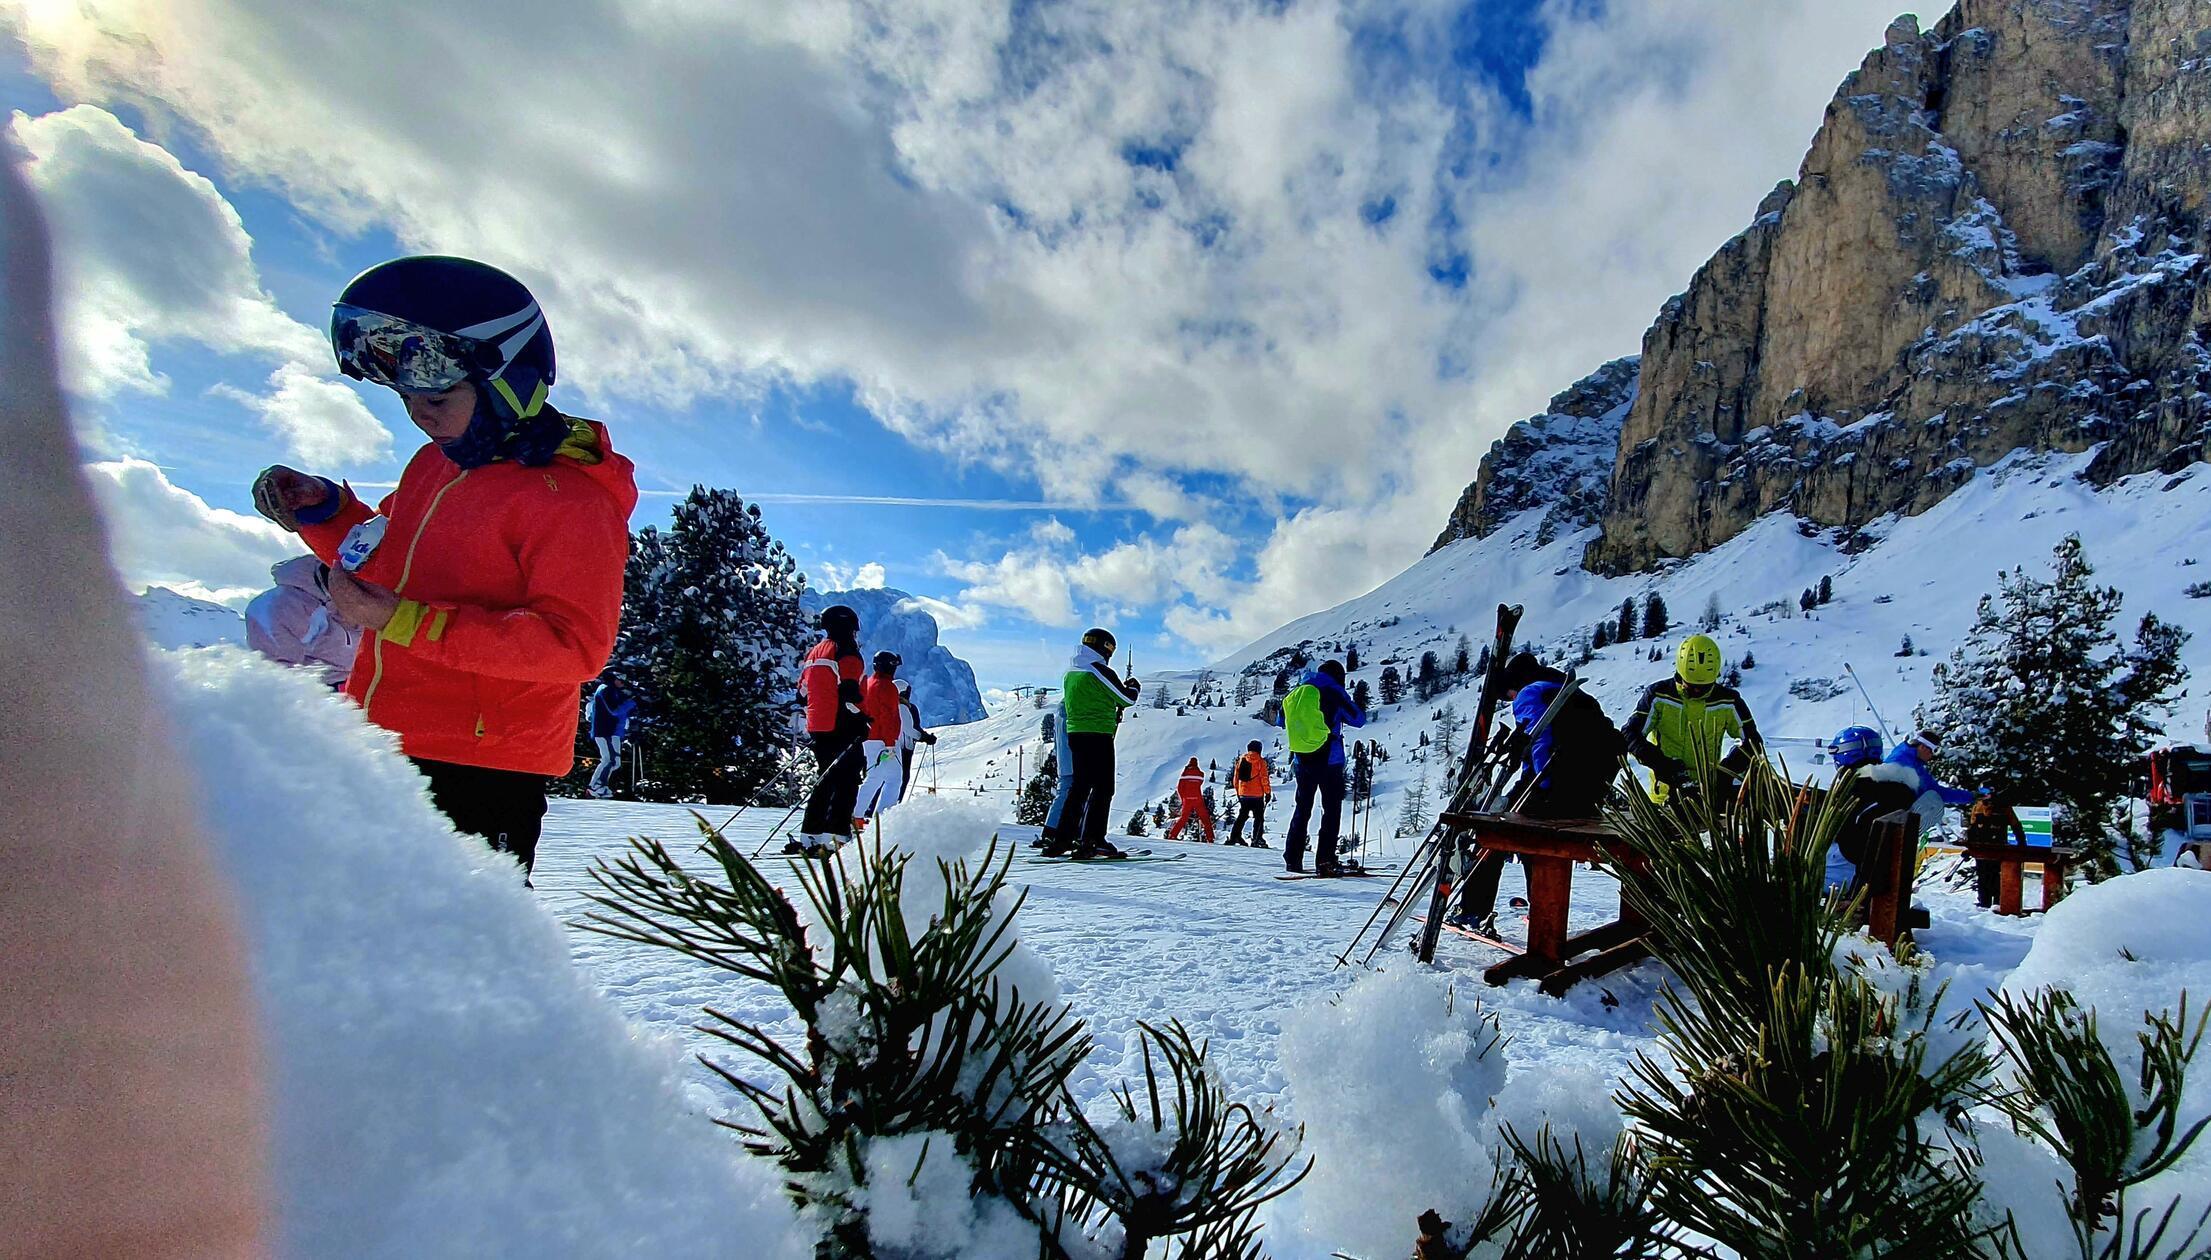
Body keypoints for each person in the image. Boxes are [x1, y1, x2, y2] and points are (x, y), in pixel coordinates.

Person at [252, 256, 634, 878]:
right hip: (386, 741)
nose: (418, 414)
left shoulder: (571, 502)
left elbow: (573, 649)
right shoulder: (437, 467)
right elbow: (383, 562)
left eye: (435, 395)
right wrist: (322, 511)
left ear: (508, 381)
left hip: (480, 771)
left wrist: (402, 622)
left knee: (449, 961)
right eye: (405, 395)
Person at [1451, 652, 1625, 929]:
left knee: (1493, 830)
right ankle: (1541, 907)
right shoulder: (1571, 692)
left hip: (1555, 784)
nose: (1509, 701)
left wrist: (1540, 786)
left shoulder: (1531, 693)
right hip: (1589, 790)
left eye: (1507, 696)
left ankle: (1474, 908)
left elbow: (1540, 740)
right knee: (1532, 839)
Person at [1620, 633, 1764, 801]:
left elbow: (1753, 742)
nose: (1698, 692)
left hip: (1709, 795)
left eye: (1705, 688)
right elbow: (1630, 733)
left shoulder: (1728, 701)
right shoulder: (1658, 696)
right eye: (1692, 686)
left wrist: (1726, 771)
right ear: (1680, 673)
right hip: (1666, 795)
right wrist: (1661, 764)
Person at [1042, 628, 1140, 859]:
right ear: (1105, 648)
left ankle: (1062, 840)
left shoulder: (1072, 671)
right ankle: (1093, 839)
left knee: (1079, 787)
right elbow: (1126, 698)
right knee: (1103, 788)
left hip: (1076, 733)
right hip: (1098, 734)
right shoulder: (1098, 669)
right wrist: (1134, 687)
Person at [794, 604, 869, 855]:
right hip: (840, 723)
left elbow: (801, 694)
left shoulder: (814, 653)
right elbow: (849, 693)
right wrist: (861, 719)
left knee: (825, 777)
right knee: (847, 779)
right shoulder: (847, 651)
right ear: (849, 628)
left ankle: (810, 835)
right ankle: (835, 836)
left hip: (816, 724)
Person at [1281, 659, 1366, 875]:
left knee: (1302, 808)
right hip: (1330, 760)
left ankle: (1293, 859)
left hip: (1301, 760)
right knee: (1331, 810)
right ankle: (1325, 861)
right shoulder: (1334, 691)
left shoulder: (1297, 692)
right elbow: (1358, 719)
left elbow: (1282, 720)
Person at [1885, 728, 1986, 903]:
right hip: (1893, 820)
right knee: (1932, 801)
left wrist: (1971, 796)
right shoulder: (1904, 763)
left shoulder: (1910, 760)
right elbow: (1936, 793)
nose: (1932, 757)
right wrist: (1972, 796)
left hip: (1894, 818)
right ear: (1924, 747)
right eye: (1932, 751)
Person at [242, 553, 359, 686]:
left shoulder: (370, 596)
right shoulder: (279, 608)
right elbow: (277, 679)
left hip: (363, 682)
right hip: (323, 692)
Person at [854, 650, 906, 825]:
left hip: (869, 737)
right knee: (894, 779)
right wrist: (890, 743)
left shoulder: (869, 683)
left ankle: (857, 815)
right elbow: (888, 716)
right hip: (884, 739)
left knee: (874, 777)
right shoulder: (888, 687)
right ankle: (883, 820)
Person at [585, 675, 639, 799]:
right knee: (608, 759)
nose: (623, 682)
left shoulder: (613, 692)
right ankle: (594, 786)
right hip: (605, 731)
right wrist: (631, 702)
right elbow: (614, 710)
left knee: (615, 762)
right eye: (620, 679)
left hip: (614, 731)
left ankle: (600, 786)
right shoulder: (605, 690)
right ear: (612, 678)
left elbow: (620, 711)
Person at [1037, 695, 1077, 848]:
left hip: (1064, 761)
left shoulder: (1060, 714)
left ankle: (1050, 832)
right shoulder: (1071, 714)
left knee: (1062, 795)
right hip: (1074, 760)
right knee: (1071, 796)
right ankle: (1059, 834)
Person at [894, 678, 937, 802]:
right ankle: (892, 806)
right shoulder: (903, 707)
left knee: (893, 778)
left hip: (894, 745)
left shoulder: (890, 706)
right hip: (903, 747)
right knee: (901, 778)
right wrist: (923, 737)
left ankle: (878, 809)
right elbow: (909, 728)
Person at [1227, 740, 1272, 847]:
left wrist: (1238, 791)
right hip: (1257, 795)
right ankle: (1257, 839)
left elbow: (1236, 778)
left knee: (1242, 815)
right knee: (1259, 817)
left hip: (1243, 793)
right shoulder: (1261, 762)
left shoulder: (1242, 759)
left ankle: (1235, 836)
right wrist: (1268, 792)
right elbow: (1264, 779)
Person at [1167, 756, 1216, 842]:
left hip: (1187, 799)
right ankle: (1210, 837)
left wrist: (1183, 799)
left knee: (1183, 818)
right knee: (1205, 818)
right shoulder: (1201, 774)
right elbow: (1200, 783)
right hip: (1198, 798)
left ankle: (1172, 835)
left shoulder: (1185, 773)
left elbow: (1180, 788)